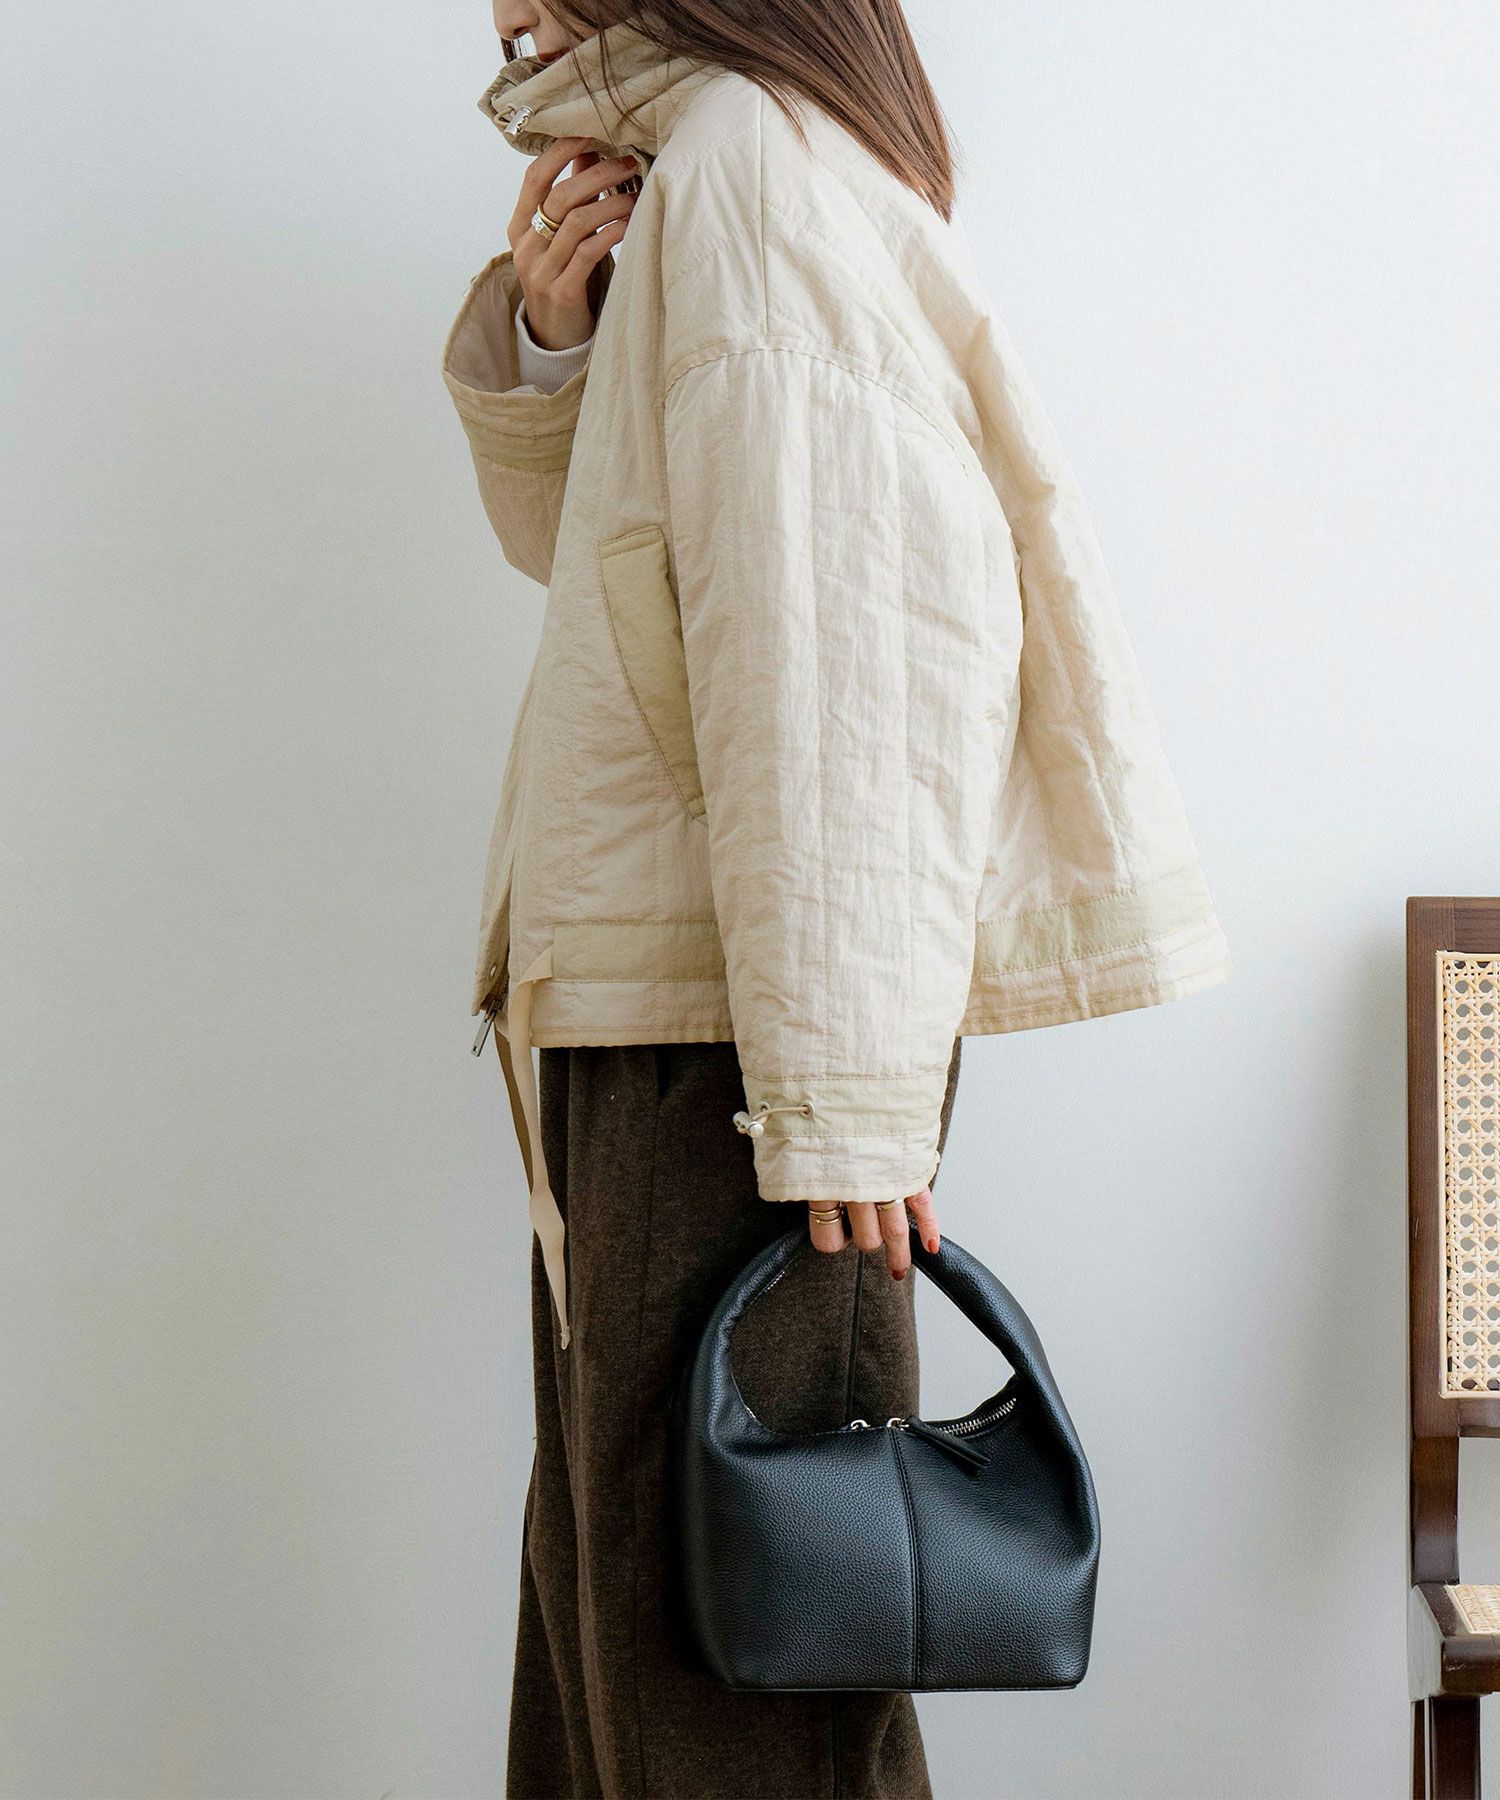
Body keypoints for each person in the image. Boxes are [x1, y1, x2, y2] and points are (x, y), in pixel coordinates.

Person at [440, 4, 1233, 1794]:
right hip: (687, 1012)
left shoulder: (751, 166)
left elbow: (846, 649)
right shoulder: (714, 165)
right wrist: (563, 350)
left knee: (721, 1668)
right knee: (646, 1628)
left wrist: (853, 1090)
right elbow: (626, 576)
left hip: (733, 1037)